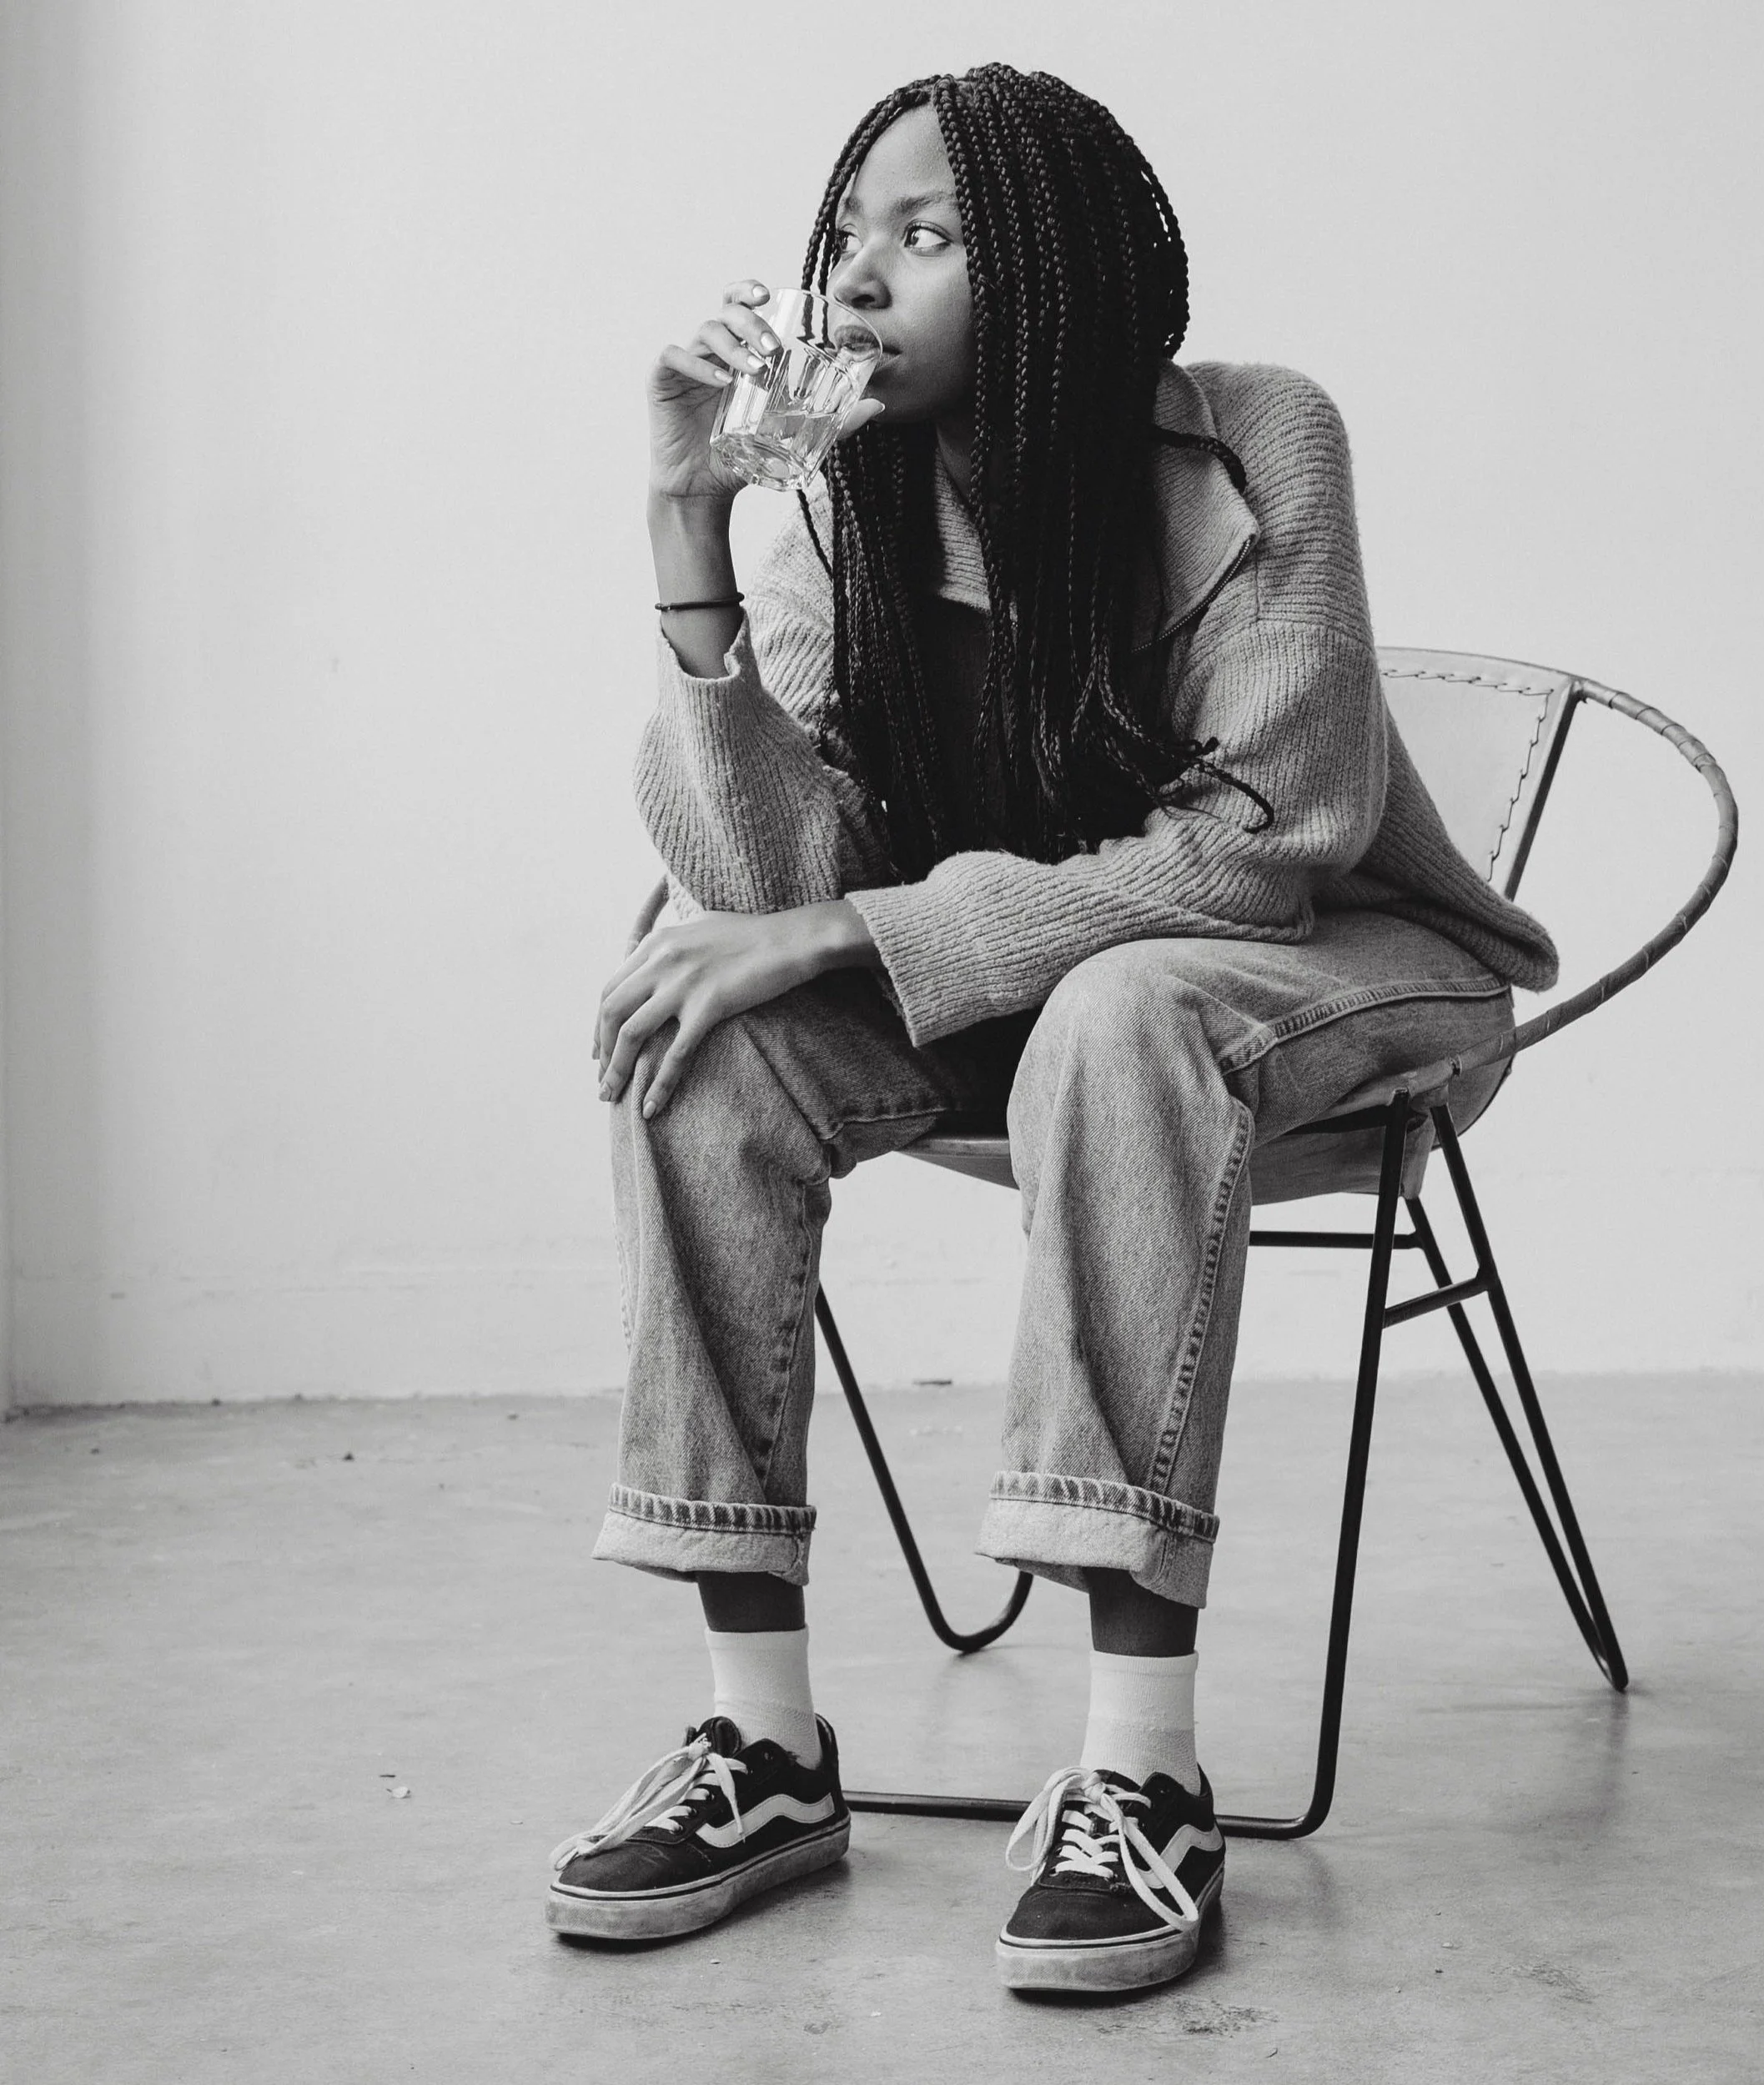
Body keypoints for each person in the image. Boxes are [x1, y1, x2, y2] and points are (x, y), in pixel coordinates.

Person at [547, 64, 1556, 1992]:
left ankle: (1138, 1768)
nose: (857, 281)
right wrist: (687, 534)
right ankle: (761, 1737)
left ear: (1058, 272)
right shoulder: (840, 488)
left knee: (1125, 994)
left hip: (1343, 964)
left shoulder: (1258, 441)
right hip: (1031, 985)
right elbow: (770, 872)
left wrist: (846, 923)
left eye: (921, 238)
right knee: (713, 1034)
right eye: (846, 236)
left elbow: (1265, 847)